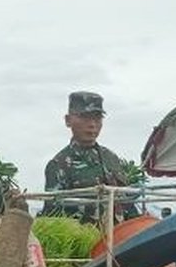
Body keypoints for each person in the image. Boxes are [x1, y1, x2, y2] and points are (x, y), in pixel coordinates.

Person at [44, 91, 140, 224]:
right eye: (85, 117)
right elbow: (52, 217)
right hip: (83, 236)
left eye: (97, 118)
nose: (92, 124)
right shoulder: (58, 165)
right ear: (68, 120)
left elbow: (128, 204)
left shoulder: (111, 158)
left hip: (121, 234)